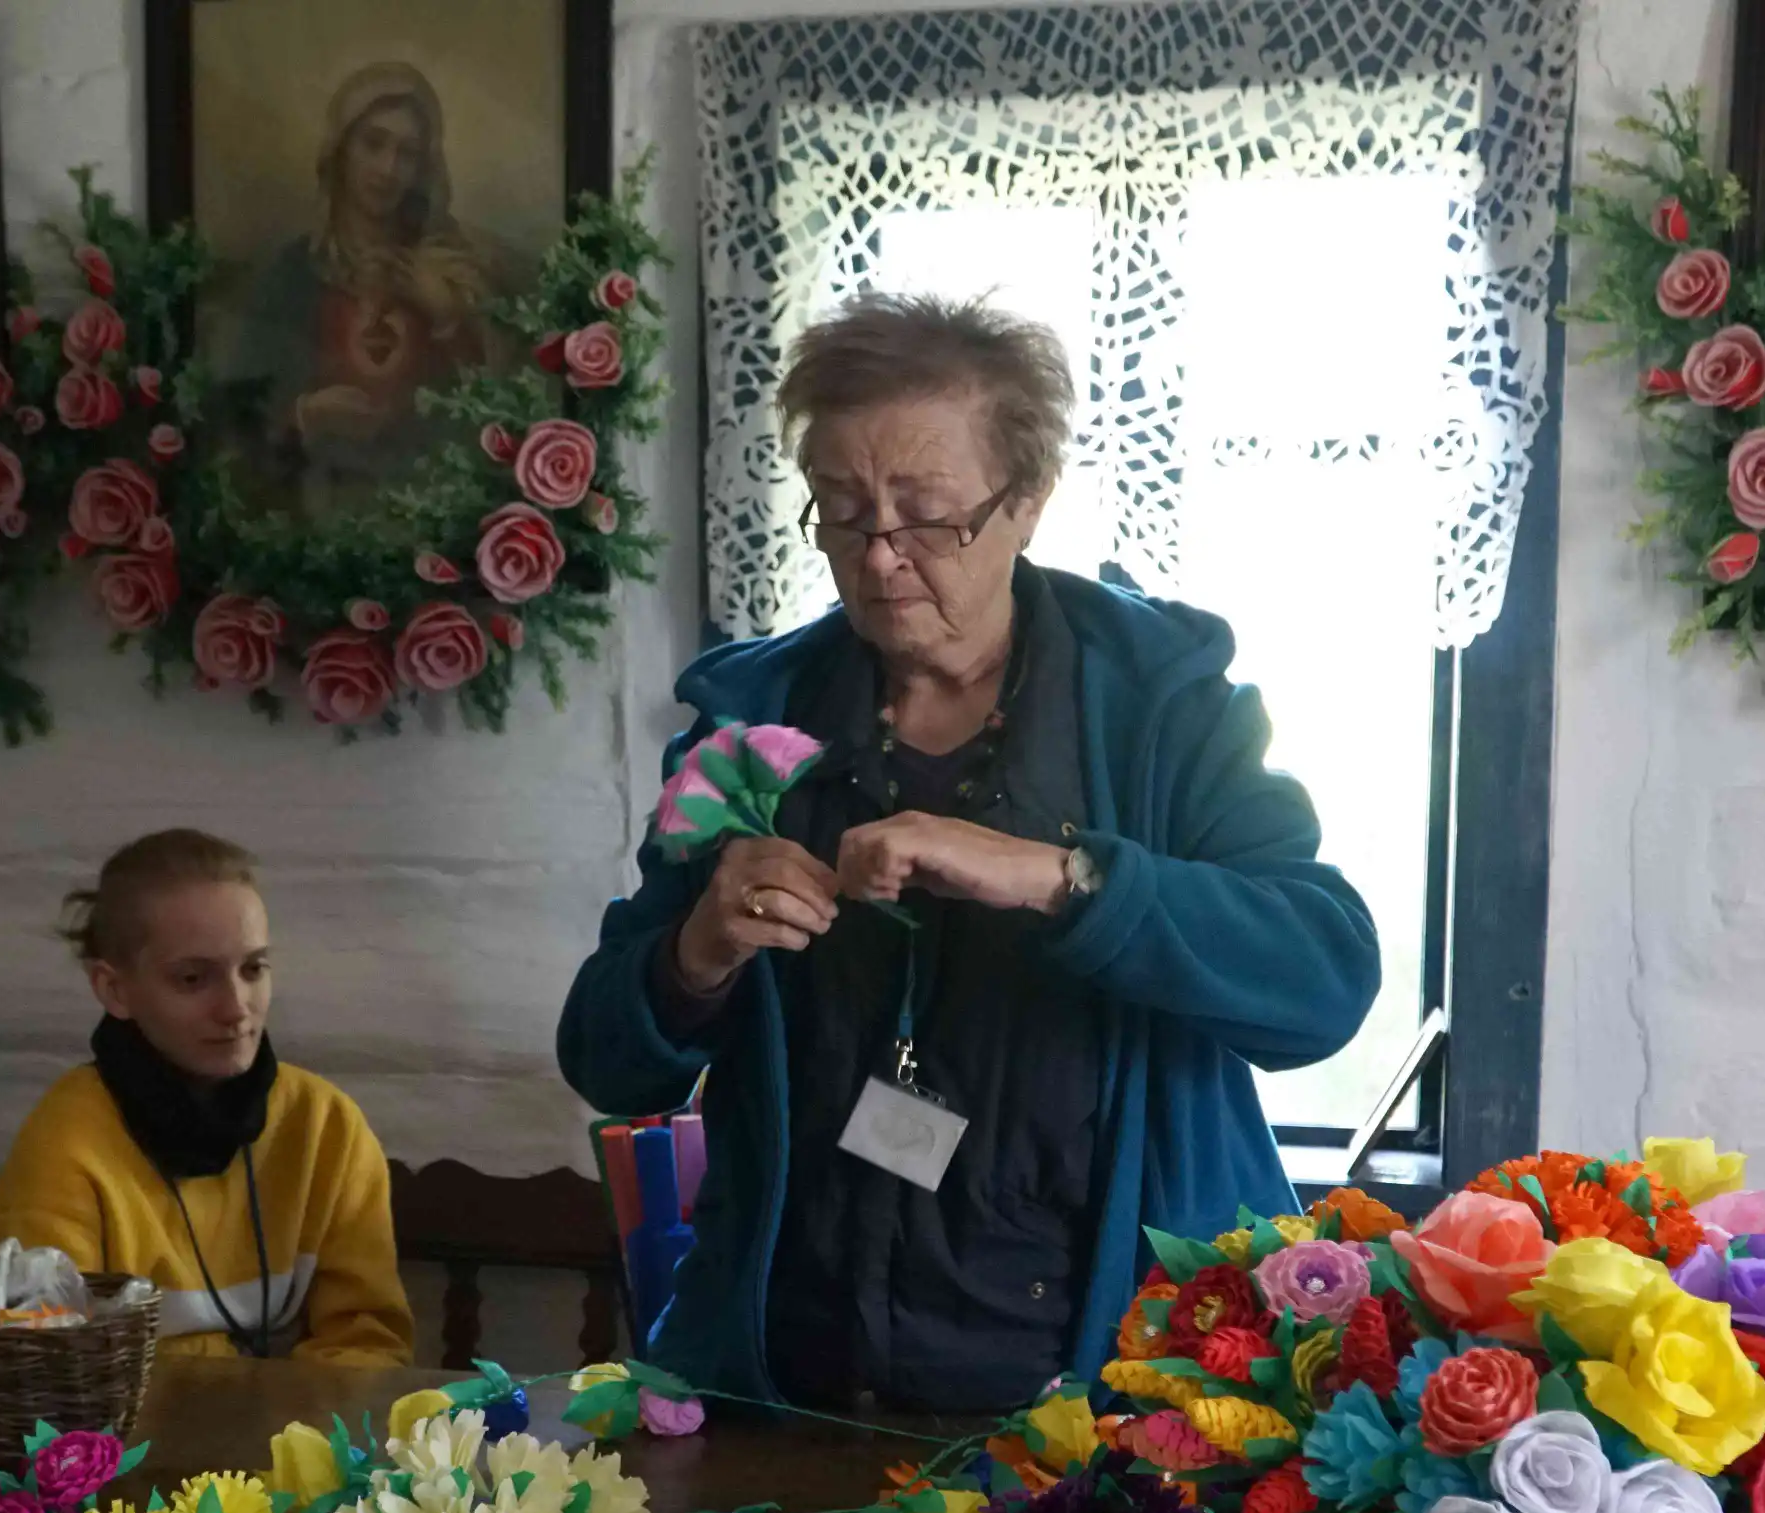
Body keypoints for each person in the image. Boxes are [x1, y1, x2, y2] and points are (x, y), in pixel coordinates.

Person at [558, 294, 1379, 1413]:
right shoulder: (749, 721)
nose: (882, 556)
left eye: (929, 515)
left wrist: (1060, 876)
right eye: (842, 513)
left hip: (1109, 1403)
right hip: (792, 1388)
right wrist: (695, 952)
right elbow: (607, 1058)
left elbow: (1323, 981)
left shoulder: (1161, 710)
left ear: (1027, 501)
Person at [0, 830, 414, 1366]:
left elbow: (369, 1343)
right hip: (130, 1445)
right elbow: (30, 1357)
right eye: (192, 978)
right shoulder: (68, 1139)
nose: (236, 1007)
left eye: (253, 969)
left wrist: (288, 1440)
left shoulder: (326, 1124)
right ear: (114, 990)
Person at [226, 61, 506, 510]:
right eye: (373, 143)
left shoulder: (454, 271)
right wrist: (305, 416)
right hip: (313, 518)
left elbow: (497, 422)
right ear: (341, 148)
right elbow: (234, 424)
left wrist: (447, 317)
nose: (388, 168)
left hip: (436, 517)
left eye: (407, 153)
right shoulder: (293, 273)